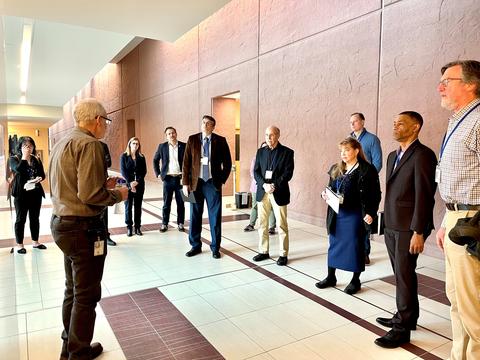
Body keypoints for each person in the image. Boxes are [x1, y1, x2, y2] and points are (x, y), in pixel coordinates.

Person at [49, 98, 128, 360]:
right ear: (96, 120)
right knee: (86, 295)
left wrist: (102, 181)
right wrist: (119, 194)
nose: (105, 126)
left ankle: (69, 345)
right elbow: (91, 195)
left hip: (62, 225)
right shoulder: (90, 144)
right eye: (106, 121)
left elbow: (72, 184)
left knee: (72, 289)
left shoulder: (62, 143)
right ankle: (79, 353)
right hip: (84, 230)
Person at [374, 111, 437, 349]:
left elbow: (425, 195)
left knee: (405, 275)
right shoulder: (392, 156)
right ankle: (406, 317)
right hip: (392, 223)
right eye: (394, 122)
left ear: (415, 127)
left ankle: (402, 329)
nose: (395, 126)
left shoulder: (423, 155)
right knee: (400, 274)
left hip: (409, 228)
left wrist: (418, 231)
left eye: (401, 123)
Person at [435, 60, 480, 360]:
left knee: (473, 305)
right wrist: (444, 220)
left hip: (472, 220)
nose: (440, 86)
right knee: (456, 300)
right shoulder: (457, 121)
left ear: (471, 84)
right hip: (454, 217)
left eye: (447, 80)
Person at [317, 137, 380, 294]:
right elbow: (329, 187)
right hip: (337, 213)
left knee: (355, 246)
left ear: (356, 151)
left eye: (347, 150)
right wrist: (324, 194)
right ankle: (331, 277)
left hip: (355, 215)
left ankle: (355, 280)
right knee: (334, 244)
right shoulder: (336, 168)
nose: (343, 154)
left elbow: (375, 194)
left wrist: (371, 212)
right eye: (341, 151)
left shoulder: (367, 170)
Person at [182, 115, 232, 259]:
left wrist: (220, 180)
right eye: (203, 122)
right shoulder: (192, 139)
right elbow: (186, 163)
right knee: (194, 215)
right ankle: (195, 245)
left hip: (212, 184)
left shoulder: (220, 141)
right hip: (195, 184)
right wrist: (185, 183)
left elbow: (227, 163)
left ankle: (215, 247)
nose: (204, 125)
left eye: (208, 123)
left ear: (213, 126)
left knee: (215, 217)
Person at [252, 126, 294, 266]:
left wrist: (273, 185)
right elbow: (256, 171)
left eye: (271, 135)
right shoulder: (260, 152)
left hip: (278, 191)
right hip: (263, 192)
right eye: (266, 135)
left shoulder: (287, 152)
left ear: (278, 135)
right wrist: (264, 184)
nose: (268, 138)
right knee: (262, 223)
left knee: (281, 224)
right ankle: (263, 251)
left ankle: (283, 254)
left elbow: (288, 174)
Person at [349, 112, 383, 264]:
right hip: (351, 186)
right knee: (352, 218)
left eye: (355, 121)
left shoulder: (372, 139)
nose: (352, 124)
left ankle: (364, 252)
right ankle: (352, 250)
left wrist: (367, 178)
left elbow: (377, 162)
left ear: (362, 122)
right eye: (350, 122)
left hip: (366, 186)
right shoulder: (349, 140)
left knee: (365, 219)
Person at [9, 136, 47, 254]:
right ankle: (20, 244)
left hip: (35, 193)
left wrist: (40, 178)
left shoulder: (36, 159)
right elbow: (19, 170)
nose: (28, 148)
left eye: (30, 145)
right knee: (21, 219)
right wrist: (24, 157)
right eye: (25, 146)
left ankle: (35, 242)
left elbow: (42, 174)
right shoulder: (14, 159)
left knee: (35, 218)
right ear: (20, 147)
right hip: (21, 194)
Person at [153, 127, 186, 232]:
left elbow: (188, 162)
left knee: (181, 203)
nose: (171, 135)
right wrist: (158, 173)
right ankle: (164, 224)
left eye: (173, 133)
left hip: (180, 179)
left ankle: (180, 223)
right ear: (166, 136)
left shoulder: (184, 146)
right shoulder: (162, 147)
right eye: (169, 134)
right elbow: (155, 160)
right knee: (166, 203)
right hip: (167, 179)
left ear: (176, 133)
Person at [244, 142, 276, 233]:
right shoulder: (256, 158)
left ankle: (272, 227)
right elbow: (253, 172)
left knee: (271, 207)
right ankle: (251, 224)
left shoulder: (274, 159)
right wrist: (262, 182)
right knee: (255, 206)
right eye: (264, 148)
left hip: (270, 186)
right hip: (257, 186)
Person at [120, 137, 147, 237]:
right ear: (129, 144)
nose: (135, 145)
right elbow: (123, 171)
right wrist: (131, 183)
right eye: (133, 143)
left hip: (139, 185)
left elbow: (144, 171)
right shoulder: (124, 156)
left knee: (138, 206)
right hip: (127, 185)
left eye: (137, 144)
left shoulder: (141, 156)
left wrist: (136, 182)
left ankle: (137, 227)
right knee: (128, 206)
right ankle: (129, 227)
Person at [100, 141, 116, 246]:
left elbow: (108, 162)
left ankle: (106, 235)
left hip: (102, 181)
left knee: (103, 211)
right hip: (87, 182)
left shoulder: (102, 145)